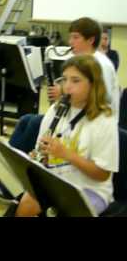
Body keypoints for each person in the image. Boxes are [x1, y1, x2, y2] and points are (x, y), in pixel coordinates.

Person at [16, 55, 119, 216]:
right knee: (26, 203)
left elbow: (102, 174)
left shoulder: (104, 119)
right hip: (56, 182)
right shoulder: (57, 109)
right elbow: (42, 153)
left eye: (76, 80)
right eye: (64, 79)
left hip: (90, 190)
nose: (67, 87)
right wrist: (39, 158)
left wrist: (66, 154)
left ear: (93, 85)